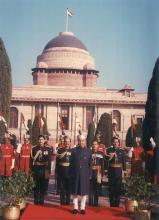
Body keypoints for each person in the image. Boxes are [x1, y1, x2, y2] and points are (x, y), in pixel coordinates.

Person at [69, 135, 92, 215]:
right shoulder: (73, 151)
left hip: (85, 174)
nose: (81, 142)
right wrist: (70, 173)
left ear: (85, 141)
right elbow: (71, 163)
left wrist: (90, 174)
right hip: (75, 173)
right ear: (78, 141)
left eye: (83, 141)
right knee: (75, 191)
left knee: (84, 191)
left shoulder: (89, 151)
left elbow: (90, 164)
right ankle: (75, 207)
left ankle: (82, 208)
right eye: (80, 140)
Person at [30, 135, 52, 205]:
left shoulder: (48, 149)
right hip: (36, 168)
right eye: (39, 139)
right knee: (36, 186)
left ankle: (41, 201)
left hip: (44, 169)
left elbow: (49, 161)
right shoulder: (34, 149)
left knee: (42, 186)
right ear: (38, 140)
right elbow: (31, 160)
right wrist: (31, 169)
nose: (40, 141)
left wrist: (49, 171)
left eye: (42, 139)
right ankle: (36, 201)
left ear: (44, 140)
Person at [106, 137, 126, 207]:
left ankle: (117, 204)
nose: (115, 143)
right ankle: (111, 203)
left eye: (117, 142)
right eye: (114, 142)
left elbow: (124, 162)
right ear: (112, 143)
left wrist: (124, 172)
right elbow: (106, 160)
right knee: (111, 188)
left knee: (118, 188)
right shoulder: (108, 150)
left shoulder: (122, 151)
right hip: (111, 170)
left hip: (118, 172)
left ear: (119, 143)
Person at [56, 136, 72, 205]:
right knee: (62, 187)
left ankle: (68, 201)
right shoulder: (60, 150)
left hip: (69, 171)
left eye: (68, 142)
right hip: (61, 171)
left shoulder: (73, 151)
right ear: (64, 142)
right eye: (66, 141)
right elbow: (57, 161)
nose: (67, 143)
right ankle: (62, 201)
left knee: (68, 187)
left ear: (70, 142)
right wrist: (56, 171)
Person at [89, 140, 104, 206]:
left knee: (97, 188)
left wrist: (102, 174)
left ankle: (96, 203)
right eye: (93, 144)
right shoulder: (89, 153)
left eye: (95, 144)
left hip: (98, 173)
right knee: (90, 188)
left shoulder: (101, 154)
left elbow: (102, 165)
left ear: (98, 145)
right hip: (90, 173)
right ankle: (90, 202)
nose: (94, 146)